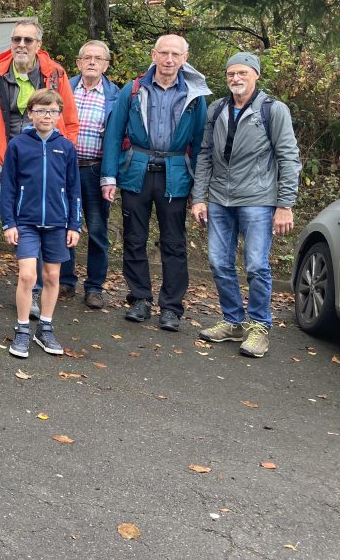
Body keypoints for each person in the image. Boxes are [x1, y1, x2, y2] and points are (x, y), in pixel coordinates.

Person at [0, 18, 79, 314]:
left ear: (38, 45)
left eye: (27, 40)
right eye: (16, 39)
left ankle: (32, 294)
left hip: (40, 171)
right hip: (1, 167)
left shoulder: (55, 75)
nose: (21, 45)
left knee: (37, 228)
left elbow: (69, 122)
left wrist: (57, 156)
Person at [191, 52, 301, 357]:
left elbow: (289, 158)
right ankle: (233, 320)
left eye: (242, 73)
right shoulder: (217, 110)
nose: (236, 79)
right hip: (219, 201)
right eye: (231, 74)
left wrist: (285, 204)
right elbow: (204, 155)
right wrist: (200, 198)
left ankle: (259, 327)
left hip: (258, 200)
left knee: (256, 265)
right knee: (218, 262)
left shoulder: (273, 111)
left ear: (255, 75)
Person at [101, 34, 210, 331]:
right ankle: (139, 298)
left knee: (174, 243)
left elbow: (201, 144)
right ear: (154, 54)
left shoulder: (195, 96)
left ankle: (172, 307)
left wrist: (199, 192)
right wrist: (108, 176)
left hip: (176, 174)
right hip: (136, 171)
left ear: (185, 58)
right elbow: (113, 134)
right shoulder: (133, 90)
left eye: (176, 54)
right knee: (134, 237)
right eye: (164, 53)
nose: (169, 59)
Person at [0, 89, 81, 358]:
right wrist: (9, 222)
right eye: (41, 110)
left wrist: (74, 224)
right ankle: (23, 329)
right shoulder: (18, 145)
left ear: (59, 115)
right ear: (31, 113)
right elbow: (9, 187)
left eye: (52, 111)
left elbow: (73, 189)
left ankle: (44, 328)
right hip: (25, 221)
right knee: (27, 275)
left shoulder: (66, 147)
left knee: (52, 276)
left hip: (57, 224)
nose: (47, 116)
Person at [60, 40, 119, 309]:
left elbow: (119, 138)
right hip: (65, 168)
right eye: (87, 58)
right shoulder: (64, 89)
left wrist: (111, 174)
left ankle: (94, 286)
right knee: (63, 224)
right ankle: (65, 279)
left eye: (98, 58)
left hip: (96, 170)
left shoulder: (116, 96)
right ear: (79, 62)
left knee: (96, 230)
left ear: (106, 64)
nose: (92, 62)